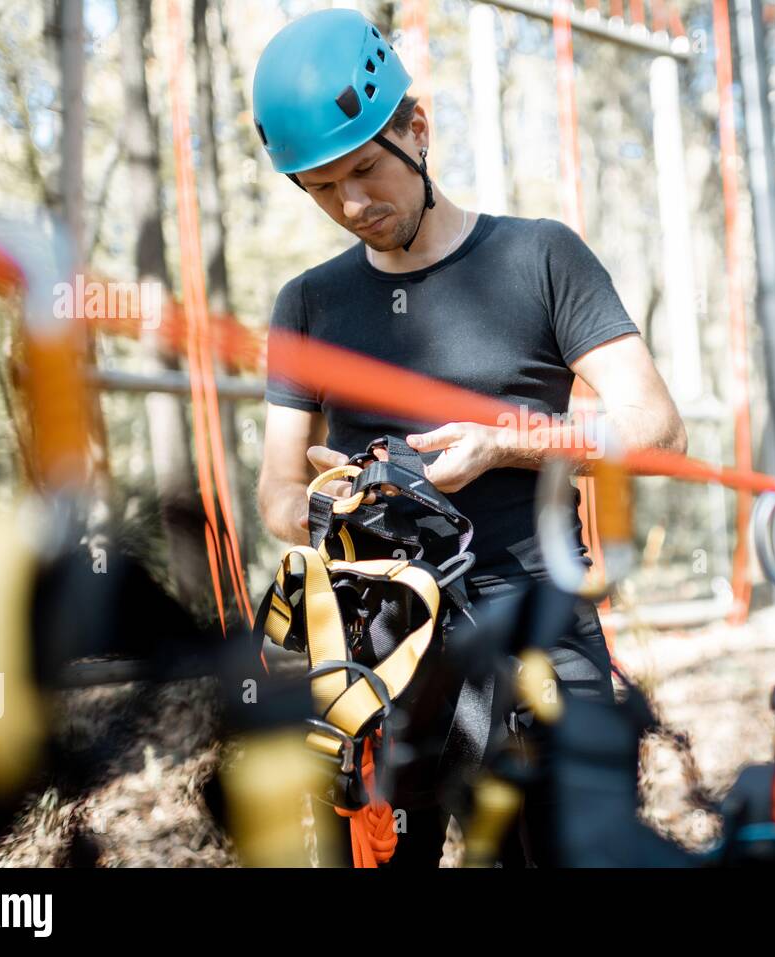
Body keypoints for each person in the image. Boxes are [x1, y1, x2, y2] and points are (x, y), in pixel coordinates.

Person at [253, 8, 686, 866]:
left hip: (537, 620)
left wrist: (505, 444)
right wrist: (342, 501)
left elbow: (658, 426)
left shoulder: (540, 258)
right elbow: (275, 499)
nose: (354, 204)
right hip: (378, 636)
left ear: (418, 128)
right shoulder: (307, 304)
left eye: (366, 171)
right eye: (324, 189)